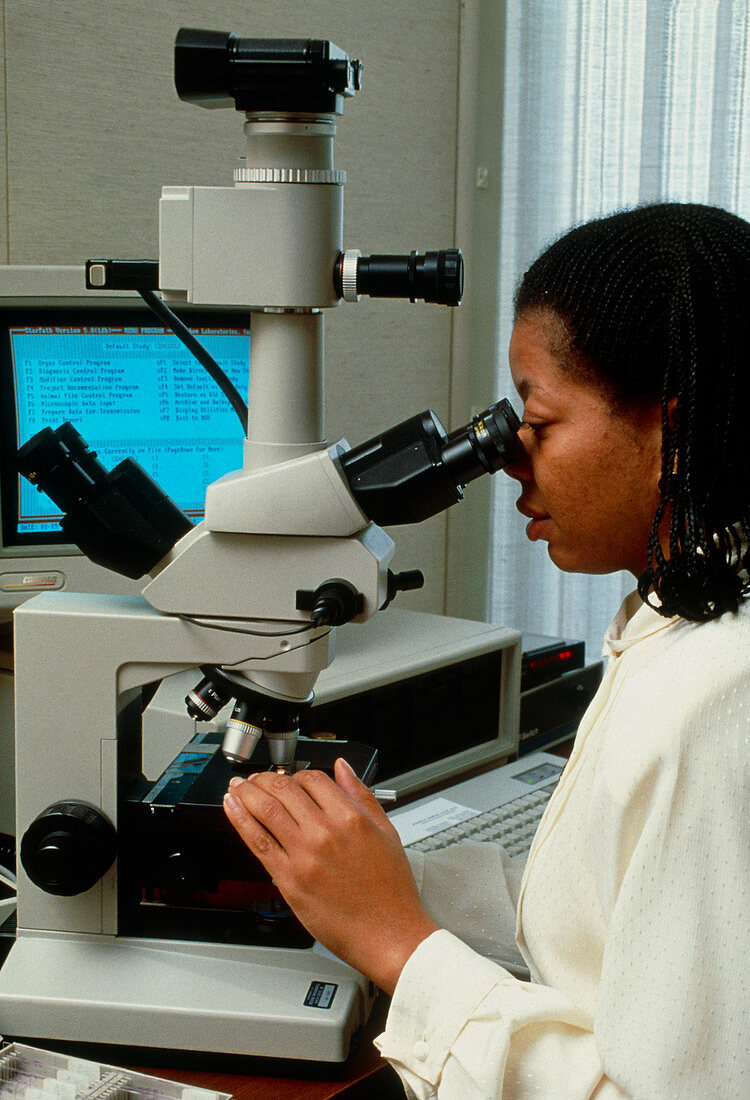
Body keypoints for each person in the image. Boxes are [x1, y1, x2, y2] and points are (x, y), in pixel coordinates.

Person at [222, 202, 750, 1097]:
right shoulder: (688, 623)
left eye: (535, 421)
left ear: (671, 426)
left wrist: (399, 945)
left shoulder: (714, 697)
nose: (508, 459)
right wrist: (380, 880)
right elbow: (597, 919)